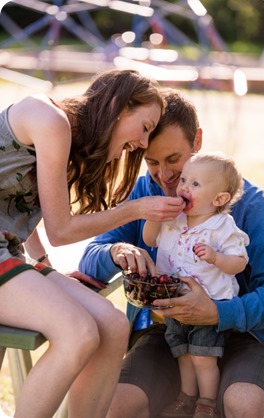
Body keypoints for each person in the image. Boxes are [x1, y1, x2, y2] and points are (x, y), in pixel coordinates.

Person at [79, 89, 264, 418]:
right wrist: (116, 251)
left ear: (197, 141)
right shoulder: (144, 192)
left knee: (244, 403)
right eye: (152, 162)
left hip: (247, 334)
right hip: (167, 330)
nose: (166, 176)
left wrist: (216, 313)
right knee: (118, 405)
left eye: (174, 159)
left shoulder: (251, 205)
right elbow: (91, 255)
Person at [0, 69, 186, 418]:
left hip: (8, 250)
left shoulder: (68, 138)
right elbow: (61, 230)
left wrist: (44, 268)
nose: (144, 144)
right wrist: (135, 209)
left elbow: (17, 207)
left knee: (112, 326)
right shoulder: (50, 120)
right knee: (79, 333)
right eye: (145, 127)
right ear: (118, 104)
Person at [143, 152, 250, 418]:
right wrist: (155, 216)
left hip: (209, 306)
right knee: (184, 354)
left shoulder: (221, 227)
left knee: (203, 356)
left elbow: (239, 263)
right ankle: (186, 397)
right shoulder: (174, 218)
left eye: (195, 184)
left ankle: (207, 403)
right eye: (184, 180)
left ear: (219, 199)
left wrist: (216, 257)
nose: (183, 188)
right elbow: (149, 239)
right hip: (174, 305)